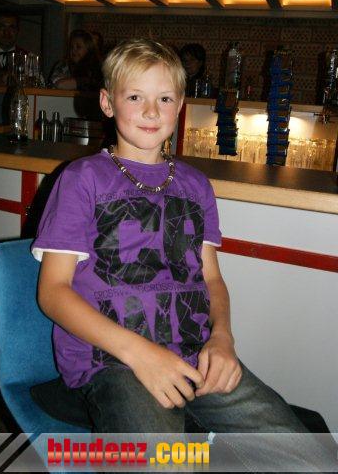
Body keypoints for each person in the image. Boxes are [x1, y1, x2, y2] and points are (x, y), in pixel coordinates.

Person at [31, 39, 328, 469]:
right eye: (135, 97)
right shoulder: (82, 179)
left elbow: (211, 279)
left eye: (165, 99)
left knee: (308, 457)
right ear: (107, 102)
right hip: (113, 361)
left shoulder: (196, 185)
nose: (152, 111)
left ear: (181, 105)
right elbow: (53, 293)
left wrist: (223, 338)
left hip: (195, 355)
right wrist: (141, 354)